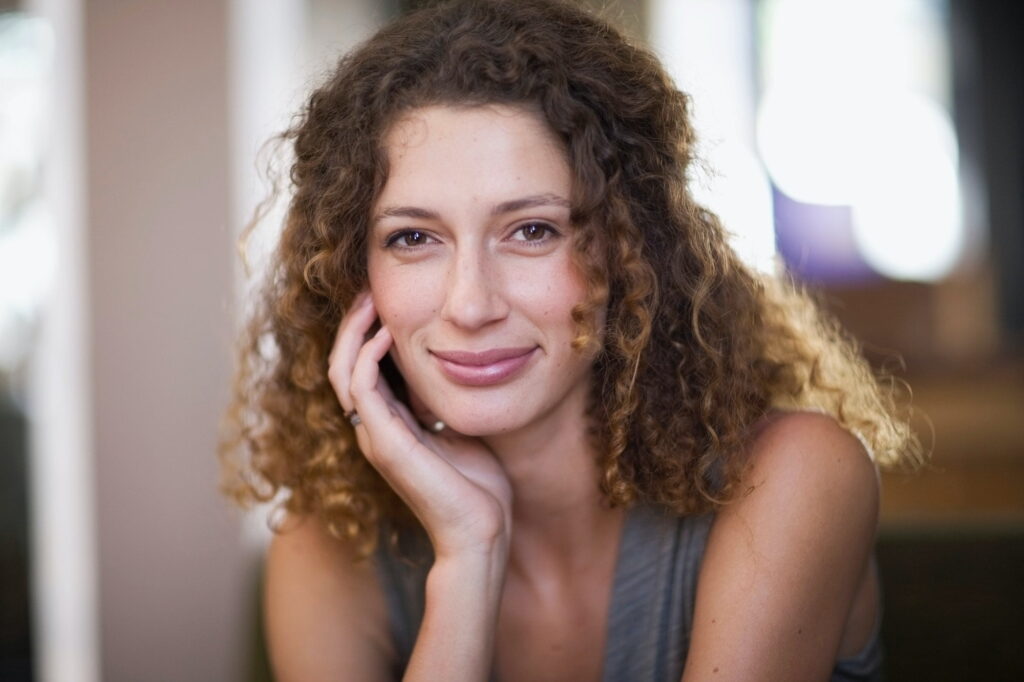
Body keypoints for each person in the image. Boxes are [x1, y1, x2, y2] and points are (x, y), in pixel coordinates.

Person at [220, 1, 922, 679]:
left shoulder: (793, 475)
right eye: (413, 238)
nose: (470, 303)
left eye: (532, 231)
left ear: (627, 250)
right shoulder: (326, 547)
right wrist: (468, 557)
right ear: (351, 275)